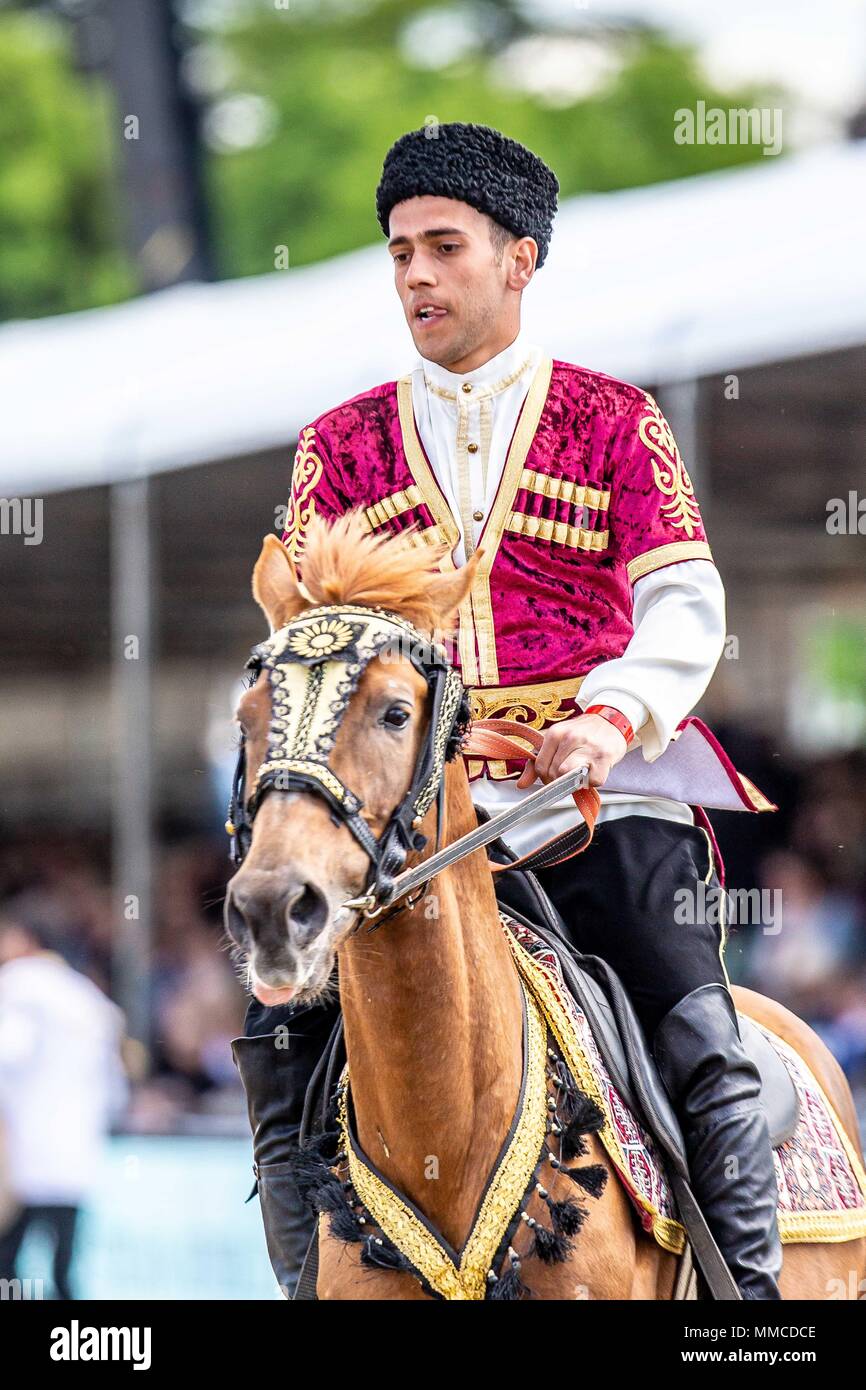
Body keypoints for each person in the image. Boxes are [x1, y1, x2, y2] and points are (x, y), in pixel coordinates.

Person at [237, 122, 782, 1299]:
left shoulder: (613, 417)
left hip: (598, 797)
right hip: (409, 826)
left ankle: (752, 1315)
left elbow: (684, 602)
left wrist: (609, 717)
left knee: (699, 1041)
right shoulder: (335, 444)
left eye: (442, 247)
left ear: (518, 259)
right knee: (279, 1042)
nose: (415, 276)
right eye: (397, 253)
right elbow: (306, 643)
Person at [0, 917, 128, 1299]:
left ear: (25, 936)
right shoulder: (85, 994)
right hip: (76, 1152)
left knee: (8, 1261)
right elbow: (114, 1080)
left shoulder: (20, 983)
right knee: (64, 1269)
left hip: (25, 1151)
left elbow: (9, 1053)